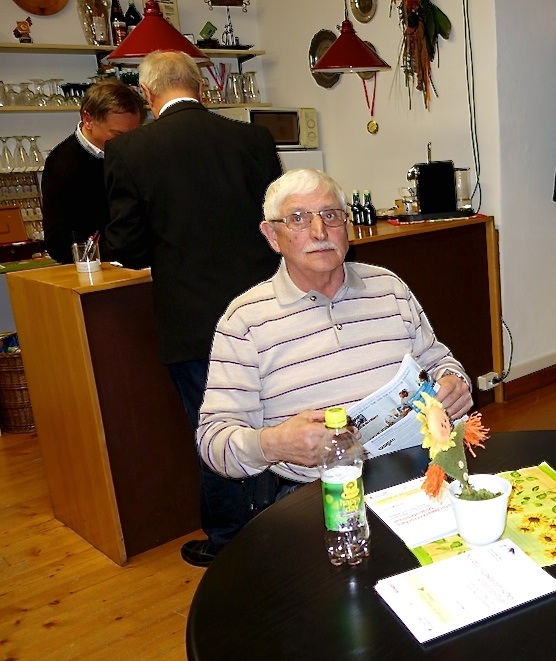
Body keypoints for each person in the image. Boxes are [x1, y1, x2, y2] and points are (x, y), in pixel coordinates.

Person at [103, 50, 283, 568]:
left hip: (192, 319)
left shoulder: (130, 150)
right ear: (200, 86)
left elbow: (125, 245)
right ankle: (286, 527)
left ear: (147, 94)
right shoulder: (252, 139)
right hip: (266, 308)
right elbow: (276, 222)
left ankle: (231, 542)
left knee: (218, 431)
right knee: (276, 416)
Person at [197, 168, 473, 496]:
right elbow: (213, 441)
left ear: (347, 225)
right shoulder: (244, 321)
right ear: (272, 236)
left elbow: (440, 363)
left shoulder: (389, 288)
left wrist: (455, 383)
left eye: (330, 215)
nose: (319, 232)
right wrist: (273, 444)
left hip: (419, 470)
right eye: (298, 219)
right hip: (318, 492)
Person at [41, 78, 146, 263]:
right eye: (117, 134)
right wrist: (113, 251)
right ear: (88, 119)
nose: (127, 142)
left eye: (133, 134)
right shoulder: (62, 164)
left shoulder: (135, 152)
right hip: (95, 269)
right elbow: (59, 242)